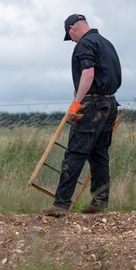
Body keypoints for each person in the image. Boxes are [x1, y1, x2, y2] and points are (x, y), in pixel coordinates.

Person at [43, 14, 122, 217]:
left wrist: (76, 104)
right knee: (99, 154)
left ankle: (61, 204)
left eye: (71, 37)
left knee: (75, 152)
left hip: (93, 105)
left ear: (72, 29)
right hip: (110, 103)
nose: (73, 41)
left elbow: (88, 74)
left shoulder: (84, 44)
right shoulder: (106, 43)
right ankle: (100, 201)